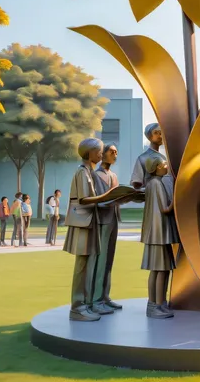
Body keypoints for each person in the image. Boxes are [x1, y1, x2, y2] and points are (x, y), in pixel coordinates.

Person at [63, 138, 121, 322]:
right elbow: (84, 199)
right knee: (82, 265)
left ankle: (85, 304)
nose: (100, 154)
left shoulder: (87, 171)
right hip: (84, 223)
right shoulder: (82, 172)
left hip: (90, 222)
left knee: (88, 264)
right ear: (89, 152)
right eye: (99, 151)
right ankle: (78, 306)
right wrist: (107, 196)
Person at [141, 154, 179, 319]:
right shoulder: (156, 184)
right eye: (164, 163)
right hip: (159, 232)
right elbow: (165, 208)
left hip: (157, 232)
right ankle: (155, 304)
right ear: (156, 167)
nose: (166, 166)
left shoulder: (152, 183)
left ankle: (158, 303)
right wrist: (178, 198)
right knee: (160, 270)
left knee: (160, 270)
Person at [92, 144, 123, 313]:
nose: (115, 155)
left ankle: (105, 296)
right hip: (102, 220)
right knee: (101, 260)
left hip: (113, 219)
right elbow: (95, 199)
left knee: (109, 260)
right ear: (102, 155)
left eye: (116, 152)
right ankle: (96, 299)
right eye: (112, 152)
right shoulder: (95, 176)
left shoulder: (114, 175)